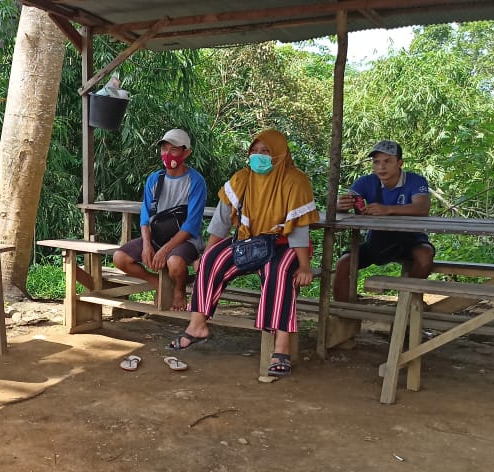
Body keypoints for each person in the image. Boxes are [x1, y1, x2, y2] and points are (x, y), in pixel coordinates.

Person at [171, 129, 319, 378]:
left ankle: (281, 345)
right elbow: (219, 223)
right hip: (247, 242)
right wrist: (206, 255)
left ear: (280, 155)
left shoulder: (296, 181)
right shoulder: (241, 179)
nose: (258, 156)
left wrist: (304, 267)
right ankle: (197, 326)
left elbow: (299, 229)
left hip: (285, 244)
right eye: (254, 151)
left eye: (266, 152)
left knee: (279, 272)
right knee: (210, 260)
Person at [112, 129, 208, 310]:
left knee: (175, 263)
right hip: (157, 236)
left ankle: (179, 290)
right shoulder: (154, 179)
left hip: (185, 238)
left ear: (186, 152)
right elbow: (145, 217)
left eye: (174, 149)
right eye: (164, 149)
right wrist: (147, 244)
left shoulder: (196, 181)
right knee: (120, 258)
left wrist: (165, 250)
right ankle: (157, 283)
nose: (167, 154)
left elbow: (192, 224)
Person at [333, 140, 435, 302]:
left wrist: (388, 209)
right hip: (377, 242)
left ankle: (408, 303)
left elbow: (422, 207)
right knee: (343, 263)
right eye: (377, 162)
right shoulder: (365, 182)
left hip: (410, 239)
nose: (381, 167)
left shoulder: (415, 181)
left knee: (425, 255)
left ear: (400, 163)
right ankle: (342, 312)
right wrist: (340, 205)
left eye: (387, 161)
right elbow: (343, 205)